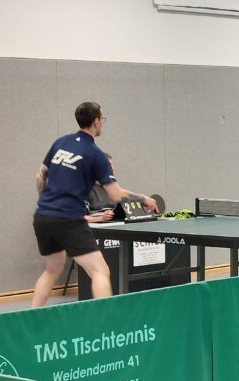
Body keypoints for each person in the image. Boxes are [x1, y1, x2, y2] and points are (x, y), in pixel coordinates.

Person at [31, 102, 157, 307]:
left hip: (42, 217)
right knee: (100, 271)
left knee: (52, 270)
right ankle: (107, 321)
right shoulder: (96, 154)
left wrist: (43, 201)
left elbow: (40, 177)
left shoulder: (60, 142)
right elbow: (115, 194)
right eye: (102, 119)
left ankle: (32, 317)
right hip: (68, 220)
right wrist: (144, 198)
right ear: (96, 121)